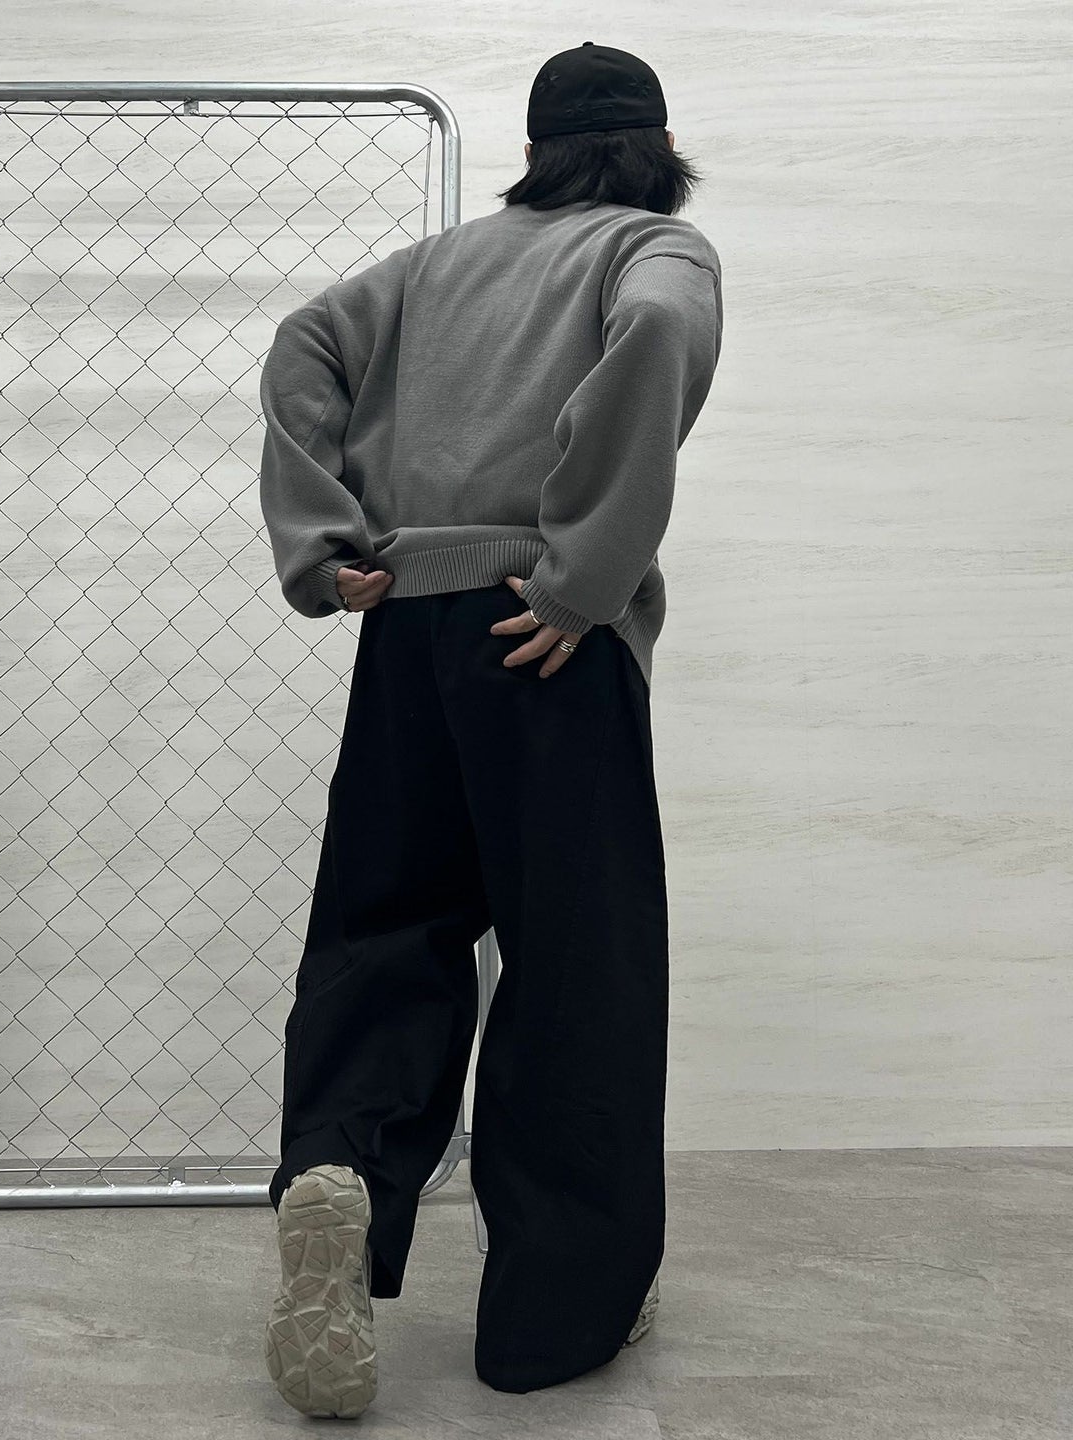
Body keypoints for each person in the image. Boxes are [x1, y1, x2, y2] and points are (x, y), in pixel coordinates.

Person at [258, 40, 724, 1419]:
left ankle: (339, 1165)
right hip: (545, 638)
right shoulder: (656, 250)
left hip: (411, 625)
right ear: (659, 149)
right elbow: (657, 333)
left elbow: (302, 346)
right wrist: (583, 576)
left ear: (533, 152)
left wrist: (327, 542)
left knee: (385, 929)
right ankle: (552, 1317)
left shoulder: (433, 266)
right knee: (578, 966)